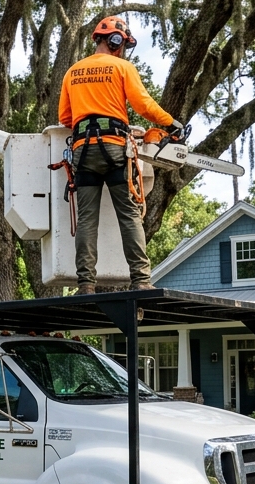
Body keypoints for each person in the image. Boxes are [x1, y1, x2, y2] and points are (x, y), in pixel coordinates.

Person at [57, 16, 183, 293]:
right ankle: (140, 280)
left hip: (83, 151)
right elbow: (143, 104)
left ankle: (86, 284)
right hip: (114, 148)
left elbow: (65, 117)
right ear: (115, 40)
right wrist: (170, 122)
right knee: (128, 214)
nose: (123, 48)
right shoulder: (122, 66)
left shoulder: (73, 71)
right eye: (123, 42)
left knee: (87, 218)